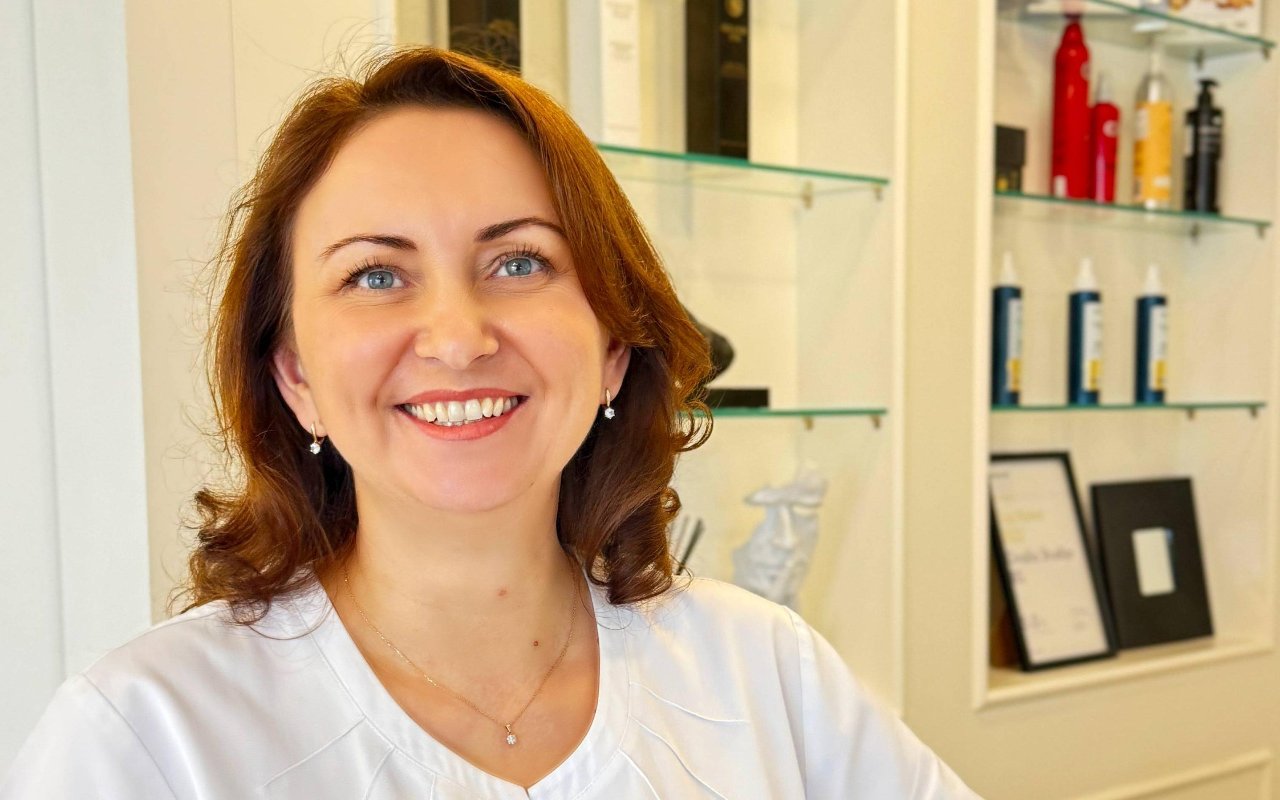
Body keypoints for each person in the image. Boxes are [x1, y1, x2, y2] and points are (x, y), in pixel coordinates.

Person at [1, 46, 981, 799]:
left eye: (519, 262)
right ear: (295, 376)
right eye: (374, 275)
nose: (458, 338)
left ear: (612, 344)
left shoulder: (766, 674)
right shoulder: (148, 736)